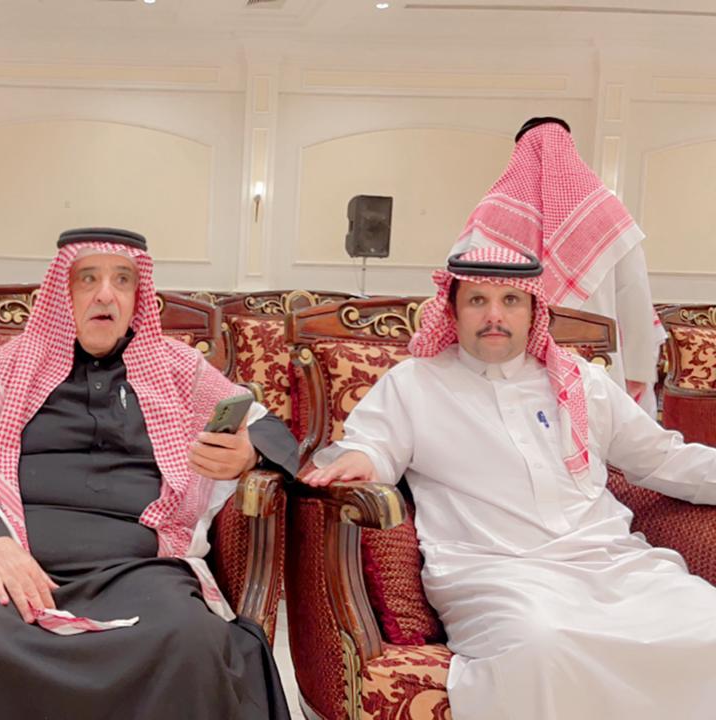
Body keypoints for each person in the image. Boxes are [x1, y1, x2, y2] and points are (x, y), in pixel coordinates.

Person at [305, 246, 716, 720]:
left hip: (610, 563)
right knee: (541, 646)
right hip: (495, 572)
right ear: (453, 311)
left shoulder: (579, 381)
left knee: (705, 623)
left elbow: (662, 458)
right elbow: (374, 446)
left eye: (511, 300)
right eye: (477, 300)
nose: (494, 316)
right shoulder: (414, 384)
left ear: (534, 311)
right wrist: (361, 460)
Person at [0, 228, 297, 719]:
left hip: (138, 570)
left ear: (137, 297)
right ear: (62, 292)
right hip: (16, 563)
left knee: (191, 639)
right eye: (88, 279)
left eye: (122, 280)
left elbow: (270, 429)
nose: (105, 294)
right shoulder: (9, 369)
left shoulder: (176, 370)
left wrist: (247, 453)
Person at [451, 116, 666, 412]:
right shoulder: (609, 214)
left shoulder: (491, 213)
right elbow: (635, 298)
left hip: (506, 370)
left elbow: (458, 293)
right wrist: (638, 370)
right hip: (598, 369)